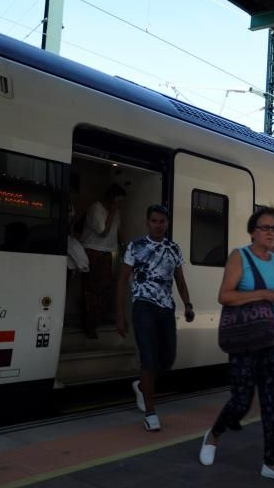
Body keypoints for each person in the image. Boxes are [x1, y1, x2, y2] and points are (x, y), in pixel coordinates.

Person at [199, 207, 274, 484]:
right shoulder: (239, 256)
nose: (271, 233)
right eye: (265, 227)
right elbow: (225, 296)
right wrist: (265, 295)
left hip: (272, 339)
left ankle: (272, 463)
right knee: (241, 401)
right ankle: (214, 435)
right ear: (252, 231)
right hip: (244, 340)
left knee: (273, 402)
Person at [116, 205, 193, 432]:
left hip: (166, 309)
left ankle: (141, 386)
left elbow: (180, 280)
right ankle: (150, 412)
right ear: (147, 222)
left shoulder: (173, 248)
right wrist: (121, 315)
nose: (158, 225)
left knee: (168, 359)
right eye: (154, 221)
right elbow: (122, 282)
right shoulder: (135, 246)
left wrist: (187, 304)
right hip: (142, 307)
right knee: (148, 359)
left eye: (162, 221)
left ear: (167, 224)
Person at [80, 184, 126, 339]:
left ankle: (95, 320)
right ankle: (89, 324)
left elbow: (117, 232)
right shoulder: (96, 208)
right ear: (111, 199)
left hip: (106, 252)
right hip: (92, 250)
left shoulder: (116, 211)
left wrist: (124, 248)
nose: (119, 205)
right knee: (92, 289)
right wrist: (112, 213)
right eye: (118, 201)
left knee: (104, 288)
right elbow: (103, 232)